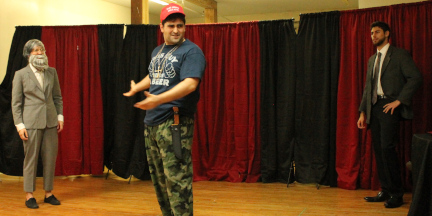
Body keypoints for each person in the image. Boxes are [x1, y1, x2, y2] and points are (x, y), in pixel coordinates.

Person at [123, 3, 206, 216]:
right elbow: (155, 76)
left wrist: (158, 100)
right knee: (160, 181)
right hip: (152, 123)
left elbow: (190, 84)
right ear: (161, 27)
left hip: (175, 123)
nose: (176, 30)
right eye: (171, 26)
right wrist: (137, 88)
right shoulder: (158, 50)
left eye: (180, 25)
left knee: (177, 182)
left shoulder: (191, 51)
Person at [357, 21, 422, 208]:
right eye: (371, 33)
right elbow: (368, 88)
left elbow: (415, 77)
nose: (373, 36)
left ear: (387, 34)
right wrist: (362, 112)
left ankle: (397, 194)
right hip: (374, 108)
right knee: (378, 149)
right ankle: (385, 190)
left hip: (389, 106)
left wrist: (399, 101)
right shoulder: (372, 59)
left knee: (387, 148)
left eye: (377, 32)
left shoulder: (399, 55)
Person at [11, 39, 64, 209]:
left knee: (50, 158)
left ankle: (48, 193)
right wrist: (20, 125)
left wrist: (60, 117)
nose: (40, 52)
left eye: (42, 49)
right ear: (28, 54)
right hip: (31, 123)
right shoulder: (20, 74)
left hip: (50, 121)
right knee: (31, 160)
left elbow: (57, 97)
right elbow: (16, 103)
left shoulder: (52, 72)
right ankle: (29, 195)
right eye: (35, 50)